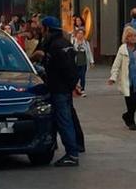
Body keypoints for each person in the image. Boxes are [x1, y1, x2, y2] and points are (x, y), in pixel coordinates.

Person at [33, 17, 82, 167]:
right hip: (66, 88)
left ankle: (72, 154)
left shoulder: (53, 46)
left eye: (42, 28)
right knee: (65, 119)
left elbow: (58, 68)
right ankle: (72, 149)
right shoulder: (66, 43)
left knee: (64, 121)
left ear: (47, 29)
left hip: (58, 89)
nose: (40, 30)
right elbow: (75, 65)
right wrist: (74, 84)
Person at [71, 28, 94, 96]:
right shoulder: (73, 42)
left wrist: (91, 61)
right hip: (76, 62)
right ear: (76, 34)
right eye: (78, 33)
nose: (80, 35)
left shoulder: (86, 43)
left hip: (83, 62)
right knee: (76, 77)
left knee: (82, 77)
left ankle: (82, 90)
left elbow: (89, 52)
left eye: (81, 34)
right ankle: (74, 89)